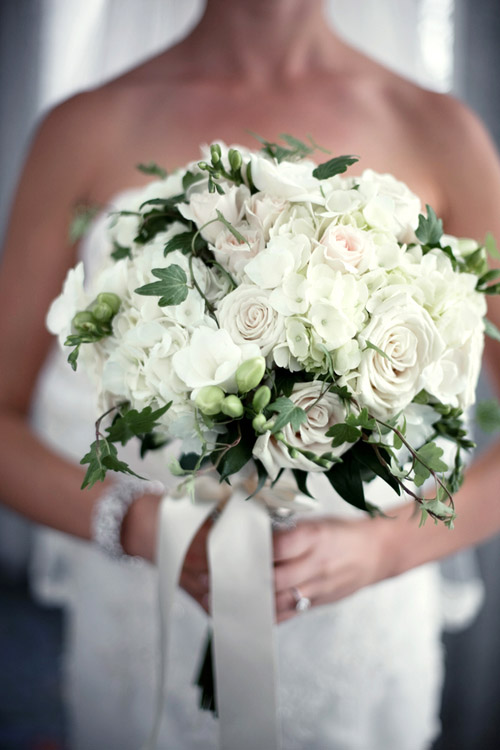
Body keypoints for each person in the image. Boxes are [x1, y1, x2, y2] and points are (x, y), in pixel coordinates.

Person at [2, 1, 500, 747]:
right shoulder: (84, 129)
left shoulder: (437, 130)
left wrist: (387, 548)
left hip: (354, 620)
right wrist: (140, 526)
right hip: (148, 615)